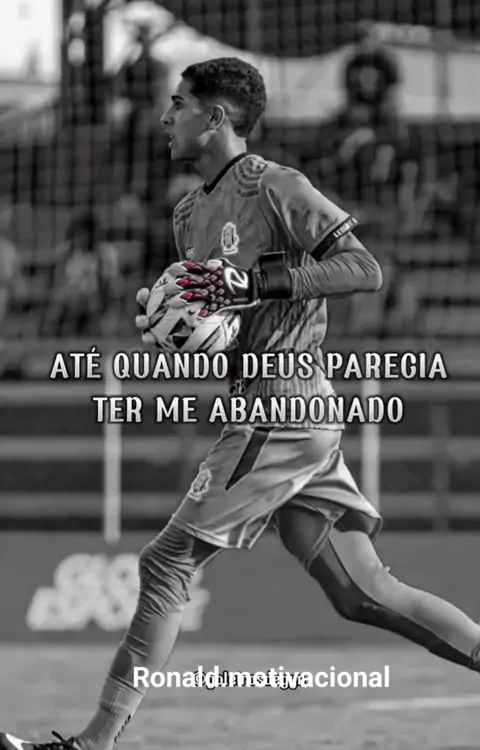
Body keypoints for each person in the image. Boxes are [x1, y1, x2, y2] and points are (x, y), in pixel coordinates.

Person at [2, 56, 480, 750]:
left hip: (282, 408)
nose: (165, 117)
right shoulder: (187, 213)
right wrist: (177, 328)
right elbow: (225, 326)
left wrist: (258, 284)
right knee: (361, 591)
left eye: (178, 104)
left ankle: (95, 742)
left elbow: (364, 269)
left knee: (166, 563)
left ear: (216, 116)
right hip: (273, 405)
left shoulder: (276, 186)